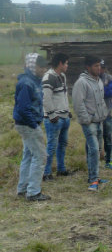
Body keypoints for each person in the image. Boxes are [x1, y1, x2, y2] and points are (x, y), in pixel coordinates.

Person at [15, 53, 51, 201]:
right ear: (32, 66)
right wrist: (33, 124)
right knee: (41, 156)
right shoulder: (26, 83)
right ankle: (33, 192)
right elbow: (23, 108)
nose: (44, 69)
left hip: (27, 123)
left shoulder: (34, 81)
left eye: (44, 66)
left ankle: (23, 189)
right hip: (28, 125)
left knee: (29, 155)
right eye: (41, 66)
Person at [72, 55, 109, 191]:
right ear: (88, 67)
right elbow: (77, 103)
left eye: (99, 65)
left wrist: (103, 114)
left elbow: (101, 100)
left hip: (99, 120)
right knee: (94, 149)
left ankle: (93, 176)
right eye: (95, 66)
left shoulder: (98, 80)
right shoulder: (81, 82)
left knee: (96, 149)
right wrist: (86, 119)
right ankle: (93, 180)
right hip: (89, 122)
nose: (99, 68)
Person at [41, 53, 72, 180]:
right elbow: (45, 98)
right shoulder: (48, 77)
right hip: (54, 119)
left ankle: (61, 169)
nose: (67, 65)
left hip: (64, 116)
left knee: (62, 144)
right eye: (66, 63)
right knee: (51, 145)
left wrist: (68, 111)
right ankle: (46, 173)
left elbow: (63, 96)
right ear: (60, 63)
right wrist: (52, 114)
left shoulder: (62, 76)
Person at [99, 60, 112, 170]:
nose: (101, 69)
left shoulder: (109, 78)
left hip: (107, 114)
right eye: (100, 67)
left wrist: (99, 90)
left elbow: (111, 92)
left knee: (108, 138)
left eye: (103, 67)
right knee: (94, 138)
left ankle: (108, 160)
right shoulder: (90, 78)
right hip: (94, 115)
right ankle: (94, 161)